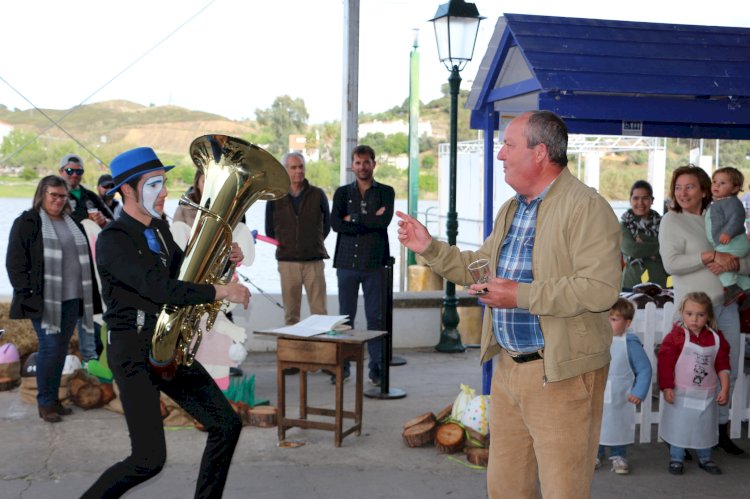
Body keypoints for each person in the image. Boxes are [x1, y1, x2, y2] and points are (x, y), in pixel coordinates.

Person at [396, 110, 621, 498]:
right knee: (505, 488)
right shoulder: (513, 208)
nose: (500, 155)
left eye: (509, 145)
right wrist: (428, 248)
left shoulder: (586, 207)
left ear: (540, 153)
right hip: (508, 369)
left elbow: (600, 289)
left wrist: (520, 295)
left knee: (563, 489)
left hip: (560, 375)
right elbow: (479, 268)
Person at [81, 147, 250, 498]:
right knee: (148, 459)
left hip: (166, 344)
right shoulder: (114, 240)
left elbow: (182, 273)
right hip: (132, 350)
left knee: (226, 424)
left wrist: (224, 260)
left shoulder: (158, 228)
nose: (164, 192)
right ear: (127, 190)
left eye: (164, 183)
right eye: (154, 184)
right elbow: (159, 288)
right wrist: (223, 291)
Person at [658, 164, 745, 456]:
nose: (683, 193)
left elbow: (744, 259)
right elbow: (672, 264)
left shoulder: (719, 218)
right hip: (691, 315)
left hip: (725, 307)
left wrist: (731, 263)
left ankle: (718, 432)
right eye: (678, 187)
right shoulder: (671, 221)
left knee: (725, 372)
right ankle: (677, 436)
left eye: (690, 187)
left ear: (705, 190)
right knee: (684, 375)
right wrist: (709, 255)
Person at [6, 175, 101, 423]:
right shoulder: (27, 222)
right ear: (42, 194)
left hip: (72, 298)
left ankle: (53, 398)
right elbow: (14, 263)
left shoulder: (73, 222)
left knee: (60, 350)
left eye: (62, 196)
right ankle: (45, 402)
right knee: (49, 348)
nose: (58, 201)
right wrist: (26, 292)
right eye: (53, 195)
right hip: (44, 301)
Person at [331, 145, 394, 386]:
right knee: (345, 319)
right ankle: (343, 367)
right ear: (352, 165)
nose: (362, 167)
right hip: (346, 263)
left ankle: (376, 370)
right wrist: (368, 219)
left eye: (366, 162)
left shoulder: (386, 192)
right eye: (358, 163)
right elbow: (335, 223)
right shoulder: (341, 193)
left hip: (374, 263)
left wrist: (353, 218)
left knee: (375, 319)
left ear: (373, 164)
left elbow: (384, 222)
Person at [658, 292, 730, 475]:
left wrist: (725, 387)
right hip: (680, 393)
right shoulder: (675, 337)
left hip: (706, 394)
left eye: (700, 315)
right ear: (682, 313)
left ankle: (705, 458)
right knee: (679, 427)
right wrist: (666, 387)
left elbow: (722, 364)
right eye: (689, 314)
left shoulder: (716, 338)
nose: (694, 319)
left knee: (704, 427)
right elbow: (665, 363)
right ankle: (676, 457)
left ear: (708, 316)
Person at [265, 151, 331, 326]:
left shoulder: (318, 194)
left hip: (314, 262)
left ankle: (321, 352)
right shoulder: (275, 196)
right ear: (285, 170)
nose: (298, 171)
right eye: (293, 167)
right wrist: (289, 244)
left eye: (301, 167)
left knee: (320, 313)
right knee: (291, 315)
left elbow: (327, 227)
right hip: (287, 263)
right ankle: (293, 354)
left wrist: (309, 243)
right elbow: (270, 230)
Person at [597, 297, 652, 475]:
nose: (608, 323)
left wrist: (639, 392)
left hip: (621, 395)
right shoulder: (596, 340)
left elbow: (644, 370)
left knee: (617, 424)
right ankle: (595, 454)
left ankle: (618, 456)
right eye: (606, 318)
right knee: (596, 424)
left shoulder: (630, 343)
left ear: (627, 323)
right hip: (598, 392)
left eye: (614, 320)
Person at [706, 167, 750, 305]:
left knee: (719, 261)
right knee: (730, 267)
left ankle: (732, 288)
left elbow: (737, 218)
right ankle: (747, 288)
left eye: (723, 183)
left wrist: (728, 232)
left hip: (733, 242)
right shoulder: (717, 202)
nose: (716, 185)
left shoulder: (732, 202)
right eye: (714, 181)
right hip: (729, 243)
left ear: (735, 189)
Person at [620, 180, 668, 289]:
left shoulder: (664, 223)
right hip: (630, 284)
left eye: (645, 198)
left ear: (652, 200)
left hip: (660, 283)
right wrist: (658, 245)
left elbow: (669, 247)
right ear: (630, 200)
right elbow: (632, 250)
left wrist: (643, 240)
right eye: (636, 198)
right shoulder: (623, 225)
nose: (640, 203)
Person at [59, 153, 112, 226]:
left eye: (79, 171)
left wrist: (104, 221)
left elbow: (112, 221)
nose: (74, 175)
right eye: (69, 170)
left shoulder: (91, 196)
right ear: (60, 171)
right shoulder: (55, 197)